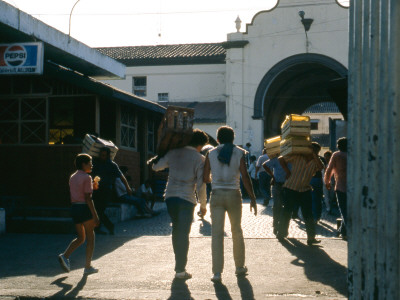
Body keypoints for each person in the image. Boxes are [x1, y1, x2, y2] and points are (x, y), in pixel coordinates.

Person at [152, 129, 209, 280]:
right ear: (200, 145)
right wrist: (203, 206)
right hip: (187, 199)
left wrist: (163, 154)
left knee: (177, 231)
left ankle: (179, 266)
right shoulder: (200, 158)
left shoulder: (173, 153)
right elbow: (201, 184)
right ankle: (180, 269)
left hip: (170, 197)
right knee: (183, 234)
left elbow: (155, 167)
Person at [203, 126, 257, 283]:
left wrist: (216, 179)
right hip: (234, 194)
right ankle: (239, 267)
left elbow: (206, 177)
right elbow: (245, 176)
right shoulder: (239, 152)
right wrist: (252, 197)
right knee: (236, 231)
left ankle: (217, 273)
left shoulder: (210, 153)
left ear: (218, 139)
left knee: (217, 234)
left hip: (217, 195)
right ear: (233, 139)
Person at [58, 153, 100, 275]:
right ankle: (87, 266)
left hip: (75, 208)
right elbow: (88, 198)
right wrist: (95, 215)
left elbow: (79, 190)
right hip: (84, 208)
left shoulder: (73, 176)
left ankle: (65, 255)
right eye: (89, 163)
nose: (91, 165)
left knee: (81, 237)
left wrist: (92, 187)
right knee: (90, 238)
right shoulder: (87, 177)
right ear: (83, 164)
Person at [278, 149, 324, 246]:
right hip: (291, 187)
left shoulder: (315, 162)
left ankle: (311, 238)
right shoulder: (298, 156)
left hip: (305, 189)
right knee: (287, 211)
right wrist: (287, 171)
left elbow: (321, 167)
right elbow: (281, 159)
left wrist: (314, 155)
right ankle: (281, 233)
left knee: (308, 214)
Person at [91, 147, 131, 235]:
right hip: (96, 190)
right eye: (101, 155)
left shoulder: (112, 165)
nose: (102, 157)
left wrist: (127, 187)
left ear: (108, 156)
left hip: (106, 191)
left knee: (100, 210)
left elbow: (122, 177)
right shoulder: (96, 163)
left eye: (104, 155)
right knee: (97, 209)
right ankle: (99, 228)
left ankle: (108, 226)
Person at [324, 137, 347, 239]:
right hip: (354, 187)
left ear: (338, 146)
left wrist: (327, 182)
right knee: (349, 210)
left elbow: (329, 170)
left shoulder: (336, 155)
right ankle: (343, 231)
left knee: (343, 209)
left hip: (340, 186)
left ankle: (345, 231)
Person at [262, 155, 289, 236]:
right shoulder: (276, 159)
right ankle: (277, 224)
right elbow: (265, 165)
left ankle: (282, 228)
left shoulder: (290, 158)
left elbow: (265, 165)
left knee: (285, 207)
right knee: (278, 205)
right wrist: (272, 175)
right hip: (278, 184)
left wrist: (272, 176)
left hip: (287, 185)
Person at [310, 142, 326, 223]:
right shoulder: (321, 159)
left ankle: (313, 216)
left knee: (311, 199)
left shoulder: (308, 158)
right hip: (317, 180)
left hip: (311, 180)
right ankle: (316, 216)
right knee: (317, 199)